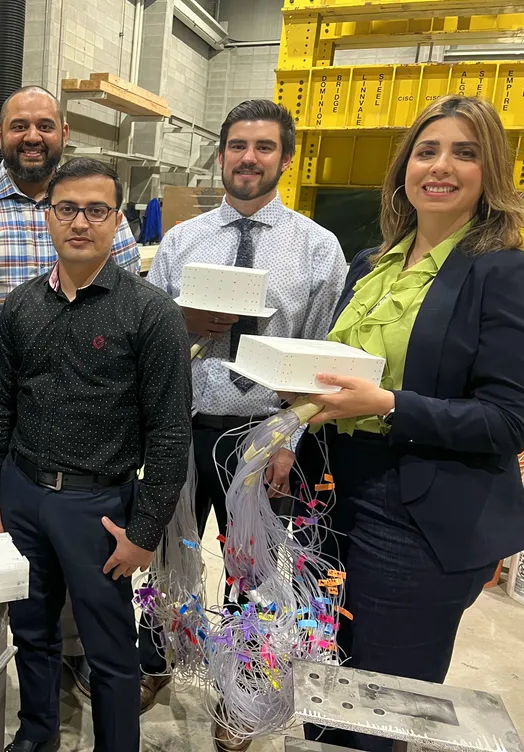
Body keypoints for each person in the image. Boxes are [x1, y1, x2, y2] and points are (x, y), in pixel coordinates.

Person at [297, 94, 524, 752]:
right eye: (427, 151)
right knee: (322, 678)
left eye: (464, 153)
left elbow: (508, 420)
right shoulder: (372, 263)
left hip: (419, 512)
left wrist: (388, 406)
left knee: (379, 704)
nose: (441, 166)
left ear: (491, 171)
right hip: (334, 497)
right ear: (404, 168)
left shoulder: (503, 272)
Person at [0, 158, 192, 752]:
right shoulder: (22, 305)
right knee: (32, 631)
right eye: (67, 208)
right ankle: (36, 735)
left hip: (97, 507)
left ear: (118, 221)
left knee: (110, 650)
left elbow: (170, 433)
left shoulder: (150, 313)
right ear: (48, 217)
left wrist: (144, 530)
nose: (80, 222)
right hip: (22, 495)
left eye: (97, 210)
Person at [144, 100, 346, 721]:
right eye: (237, 145)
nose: (248, 158)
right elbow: (147, 339)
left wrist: (289, 442)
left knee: (251, 572)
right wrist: (181, 321)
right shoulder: (182, 241)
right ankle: (155, 659)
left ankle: (242, 692)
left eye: (263, 147)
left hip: (263, 437)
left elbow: (322, 356)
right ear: (221, 155)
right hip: (183, 427)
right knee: (167, 551)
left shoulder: (317, 250)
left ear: (285, 159)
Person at [0, 83, 140, 700]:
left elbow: (127, 308)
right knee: (3, 552)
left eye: (45, 126)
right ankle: (13, 669)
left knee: (86, 558)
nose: (33, 137)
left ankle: (77, 656)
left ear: (63, 134)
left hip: (86, 424)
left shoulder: (103, 214)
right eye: (19, 126)